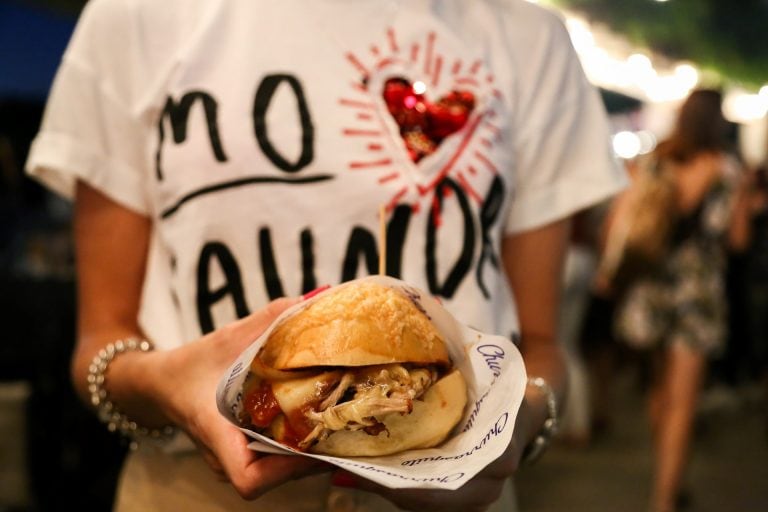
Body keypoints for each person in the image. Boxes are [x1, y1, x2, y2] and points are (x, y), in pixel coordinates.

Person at [25, 0, 626, 510]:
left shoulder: (527, 36)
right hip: (193, 490)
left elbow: (543, 345)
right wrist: (160, 384)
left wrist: (518, 427)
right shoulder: (137, 16)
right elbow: (100, 341)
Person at [599, 89, 752, 512]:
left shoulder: (656, 161)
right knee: (683, 403)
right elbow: (738, 241)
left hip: (651, 288)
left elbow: (621, 216)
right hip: (697, 294)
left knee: (659, 394)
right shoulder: (728, 170)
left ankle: (664, 474)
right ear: (718, 122)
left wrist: (609, 270)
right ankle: (665, 498)